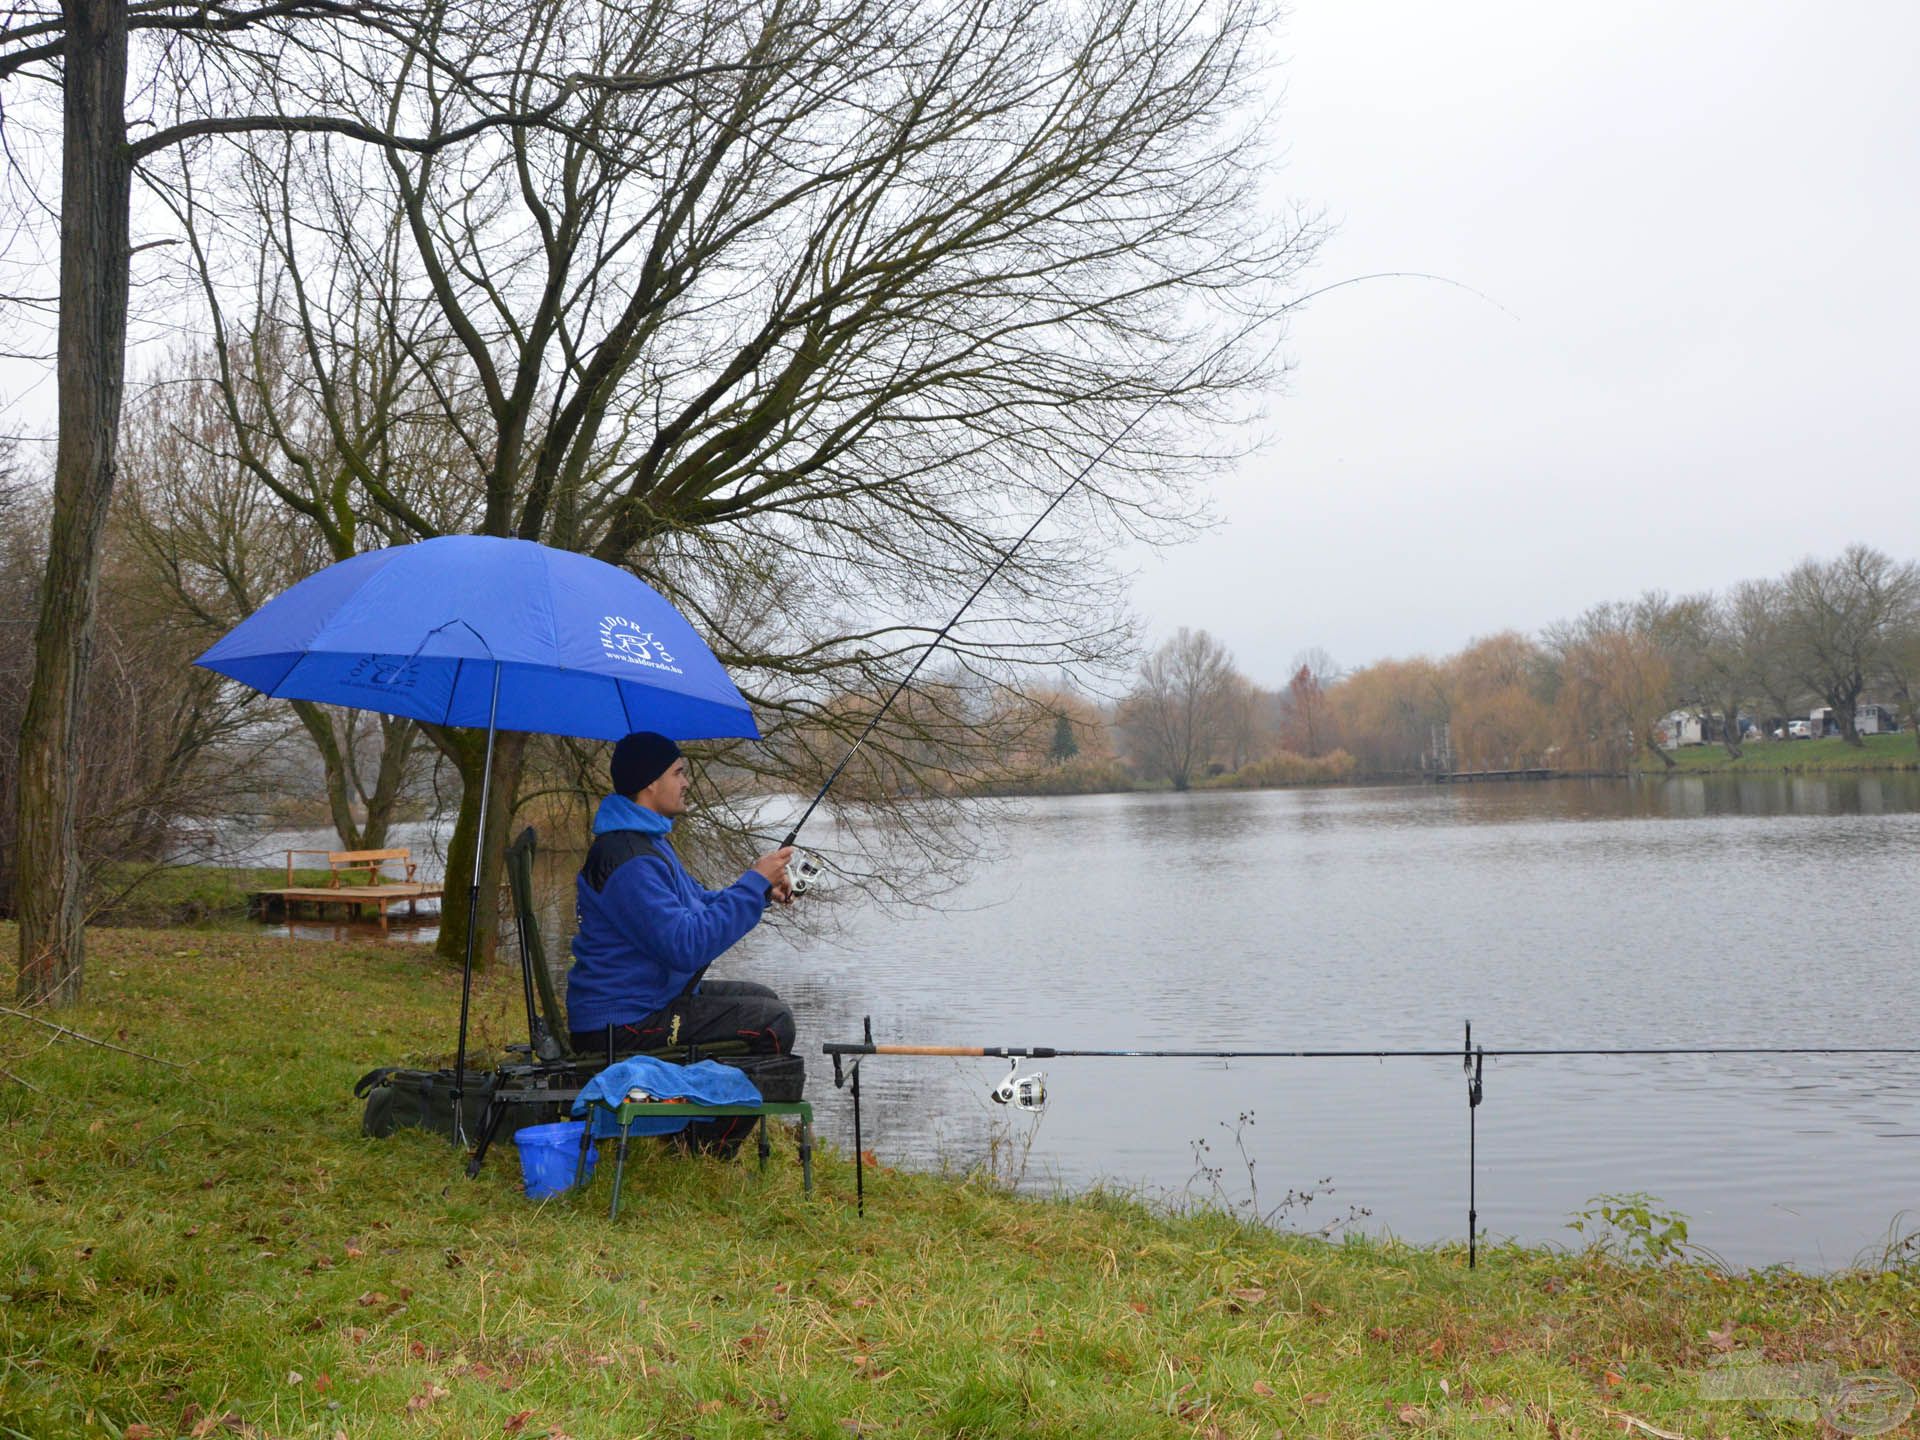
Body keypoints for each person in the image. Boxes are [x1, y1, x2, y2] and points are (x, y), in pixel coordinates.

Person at [565, 730, 797, 1059]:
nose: (686, 782)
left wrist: (760, 889)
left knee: (767, 998)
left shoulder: (648, 842)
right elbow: (686, 946)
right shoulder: (629, 860)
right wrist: (753, 881)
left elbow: (697, 906)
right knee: (774, 1023)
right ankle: (714, 1111)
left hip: (649, 1002)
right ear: (649, 783)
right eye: (678, 773)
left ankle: (704, 1105)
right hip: (621, 1025)